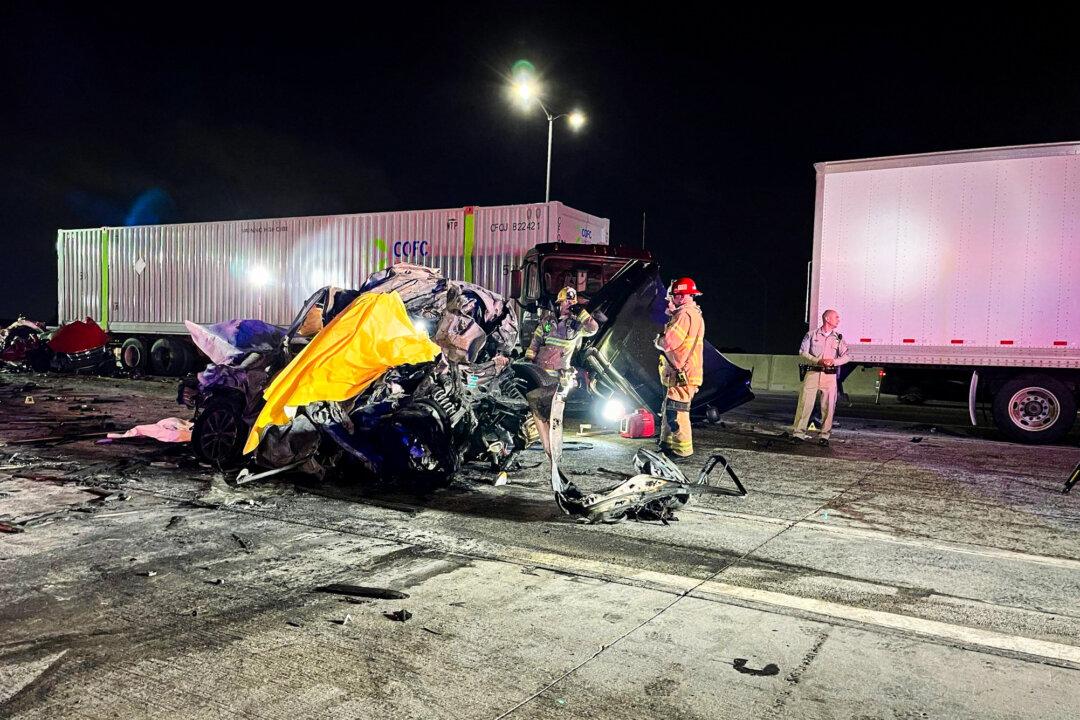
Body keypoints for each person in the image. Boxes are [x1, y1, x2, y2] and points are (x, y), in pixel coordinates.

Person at [655, 277, 705, 457]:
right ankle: (667, 444)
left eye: (674, 296)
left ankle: (682, 451)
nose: (671, 300)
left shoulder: (684, 315)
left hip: (683, 373)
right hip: (682, 373)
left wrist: (658, 340)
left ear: (682, 296)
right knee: (670, 408)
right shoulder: (691, 314)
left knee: (677, 413)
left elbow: (669, 342)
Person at [792, 309, 849, 444]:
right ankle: (798, 434)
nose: (838, 320)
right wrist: (818, 360)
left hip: (829, 376)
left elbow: (847, 356)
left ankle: (824, 436)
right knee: (805, 404)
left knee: (828, 407)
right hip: (813, 373)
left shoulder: (838, 338)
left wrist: (834, 362)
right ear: (827, 319)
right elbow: (802, 352)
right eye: (836, 317)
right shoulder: (811, 335)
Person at [524, 286, 598, 377]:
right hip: (540, 370)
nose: (569, 304)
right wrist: (528, 359)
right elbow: (535, 342)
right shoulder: (548, 321)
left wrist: (582, 313)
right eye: (567, 301)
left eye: (572, 303)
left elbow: (593, 329)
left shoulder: (577, 324)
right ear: (560, 303)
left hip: (560, 375)